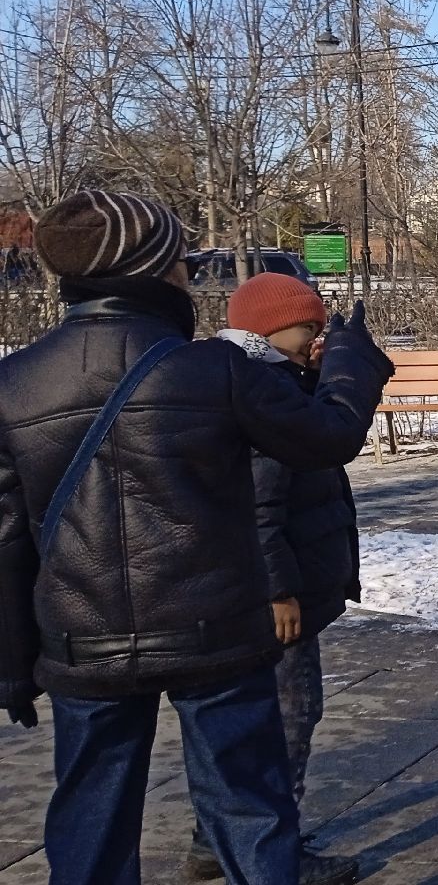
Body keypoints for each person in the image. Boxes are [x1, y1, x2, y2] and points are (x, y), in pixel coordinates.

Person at [0, 191, 392, 885]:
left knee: (91, 819)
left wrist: (10, 665)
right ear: (152, 272)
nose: (187, 270)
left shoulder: (14, 383)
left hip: (80, 641)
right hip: (215, 634)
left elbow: (5, 541)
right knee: (249, 811)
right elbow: (326, 438)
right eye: (177, 259)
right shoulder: (216, 369)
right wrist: (352, 362)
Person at [176, 273, 365, 883]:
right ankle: (274, 852)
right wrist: (280, 589)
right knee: (289, 715)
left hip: (266, 588)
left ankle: (217, 840)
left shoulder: (268, 382)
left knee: (258, 719)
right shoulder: (266, 393)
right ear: (270, 328)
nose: (317, 337)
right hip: (277, 597)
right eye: (309, 326)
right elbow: (259, 506)